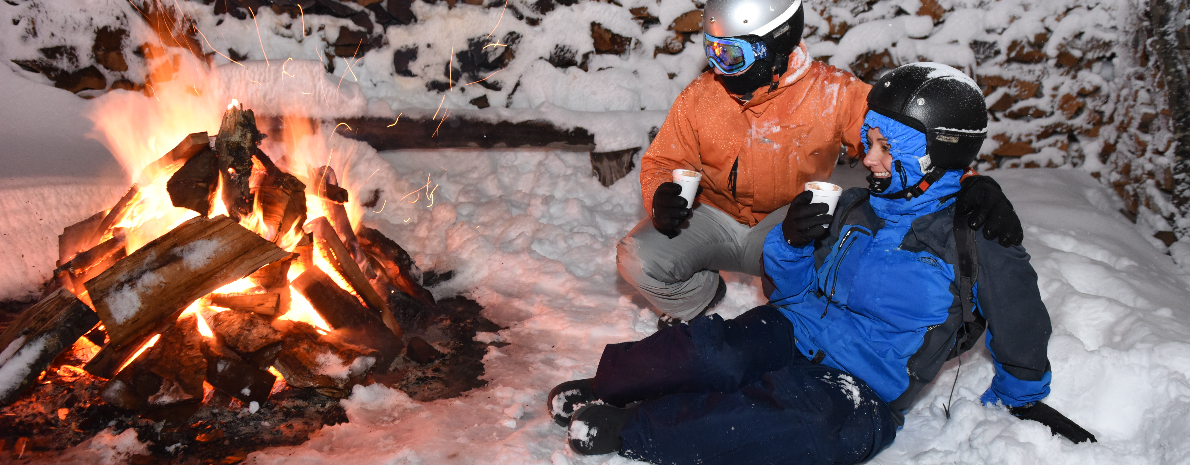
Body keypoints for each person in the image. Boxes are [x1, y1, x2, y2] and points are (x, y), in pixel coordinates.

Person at [548, 63, 1095, 463]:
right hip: (796, 329)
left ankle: (633, 429)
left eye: (886, 148)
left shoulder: (975, 232)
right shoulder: (855, 205)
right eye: (868, 142)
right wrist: (790, 240)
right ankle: (609, 383)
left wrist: (1023, 399)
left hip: (863, 383)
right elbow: (787, 293)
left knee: (791, 426)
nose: (868, 158)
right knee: (712, 352)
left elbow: (1021, 320)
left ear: (936, 152)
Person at [621, 0, 1024, 329]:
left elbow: (903, 139)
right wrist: (662, 195)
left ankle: (793, 324)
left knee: (834, 271)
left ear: (774, 46)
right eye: (712, 49)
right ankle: (700, 300)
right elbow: (665, 158)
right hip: (712, 217)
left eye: (731, 54)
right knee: (637, 258)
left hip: (786, 225)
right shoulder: (702, 95)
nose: (718, 65)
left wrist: (968, 182)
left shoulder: (833, 94)